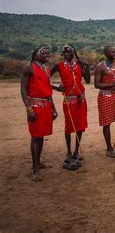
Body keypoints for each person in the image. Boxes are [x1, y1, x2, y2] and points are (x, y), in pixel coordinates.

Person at [20, 46, 59, 181]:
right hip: (35, 106)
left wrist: (53, 108)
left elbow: (48, 89)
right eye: (44, 53)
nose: (47, 55)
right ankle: (35, 168)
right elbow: (23, 90)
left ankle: (38, 162)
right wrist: (29, 109)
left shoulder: (46, 69)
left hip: (46, 105)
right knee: (35, 136)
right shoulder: (29, 68)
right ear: (36, 55)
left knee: (41, 135)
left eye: (48, 53)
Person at [50, 44, 90, 169]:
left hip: (81, 101)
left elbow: (88, 80)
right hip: (68, 100)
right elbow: (45, 78)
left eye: (69, 51)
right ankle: (68, 152)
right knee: (69, 126)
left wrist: (86, 67)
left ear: (74, 52)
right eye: (64, 52)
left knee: (80, 126)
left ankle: (76, 151)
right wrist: (57, 87)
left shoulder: (79, 64)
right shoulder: (59, 65)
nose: (67, 53)